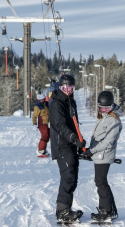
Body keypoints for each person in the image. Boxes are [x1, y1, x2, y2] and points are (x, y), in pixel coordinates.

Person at [48, 74, 86, 223]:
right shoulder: (56, 103)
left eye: (71, 88)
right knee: (68, 177)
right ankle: (62, 211)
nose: (68, 90)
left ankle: (66, 209)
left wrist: (80, 142)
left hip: (71, 144)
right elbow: (60, 126)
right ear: (60, 87)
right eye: (65, 88)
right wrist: (73, 138)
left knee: (73, 178)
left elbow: (75, 124)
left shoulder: (71, 102)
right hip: (61, 144)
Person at [82, 90, 122, 222]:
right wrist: (89, 150)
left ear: (112, 106)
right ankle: (109, 209)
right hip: (99, 154)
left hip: (104, 155)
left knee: (101, 182)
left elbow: (108, 142)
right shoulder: (105, 117)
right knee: (101, 181)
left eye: (107, 108)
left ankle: (106, 211)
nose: (104, 110)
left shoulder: (114, 121)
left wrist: (92, 150)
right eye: (102, 108)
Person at [32, 93, 50, 157]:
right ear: (39, 100)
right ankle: (40, 150)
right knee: (44, 135)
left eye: (43, 99)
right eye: (41, 100)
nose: (43, 101)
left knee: (48, 136)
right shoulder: (37, 107)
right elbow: (34, 116)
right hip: (42, 123)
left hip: (46, 123)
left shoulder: (45, 104)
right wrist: (34, 124)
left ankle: (43, 149)